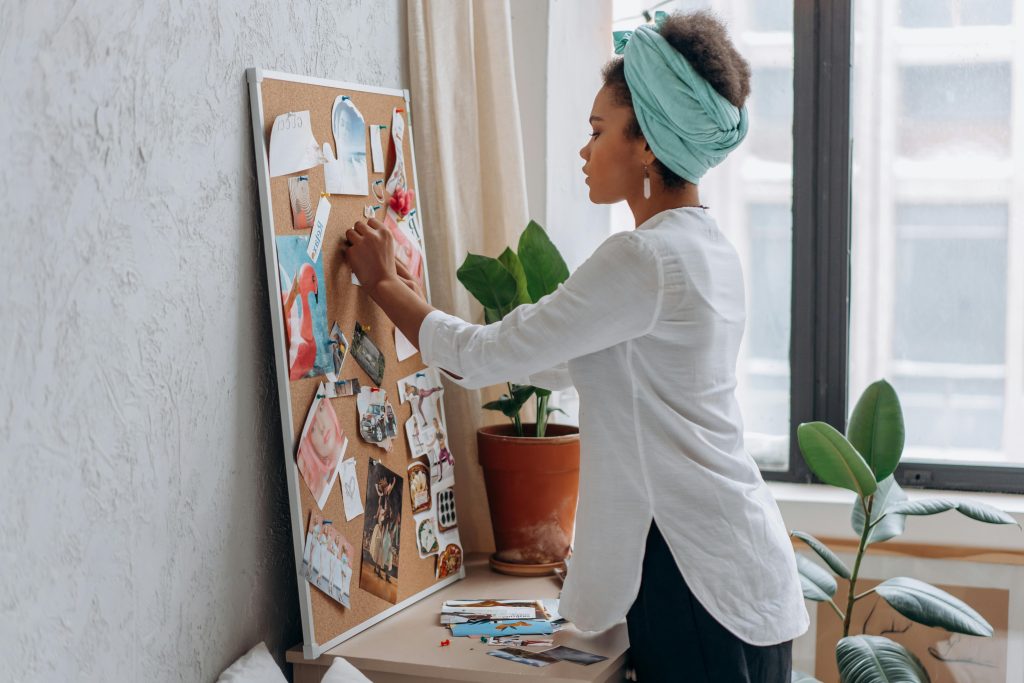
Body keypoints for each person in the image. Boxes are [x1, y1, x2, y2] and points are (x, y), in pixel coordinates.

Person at [340, 10, 807, 681]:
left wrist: (382, 283)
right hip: (742, 572)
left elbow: (482, 358)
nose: (584, 150)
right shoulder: (707, 250)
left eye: (597, 131)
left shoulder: (644, 260)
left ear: (646, 144)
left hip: (694, 580)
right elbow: (559, 360)